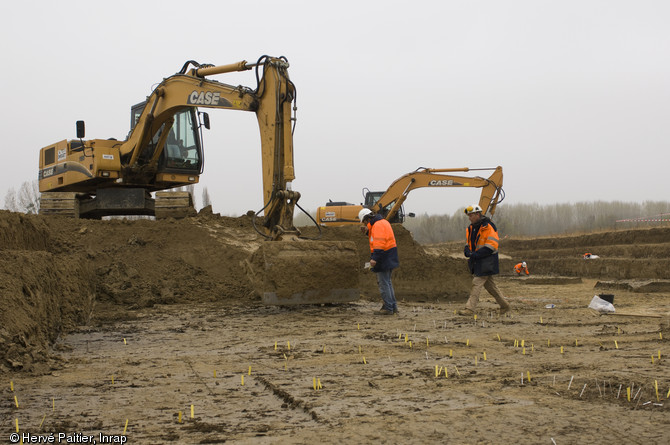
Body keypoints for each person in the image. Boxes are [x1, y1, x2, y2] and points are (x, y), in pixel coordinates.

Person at [460, 204, 511, 315]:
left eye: (471, 215)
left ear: (478, 214)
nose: (469, 218)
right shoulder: (471, 228)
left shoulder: (488, 227)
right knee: (491, 287)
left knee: (476, 283)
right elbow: (468, 243)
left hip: (487, 261)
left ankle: (469, 309)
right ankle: (505, 305)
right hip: (478, 261)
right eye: (469, 215)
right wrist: (467, 250)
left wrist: (475, 254)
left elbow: (491, 246)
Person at [359, 208, 399, 315]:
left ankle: (388, 308)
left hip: (383, 256)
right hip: (389, 255)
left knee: (384, 283)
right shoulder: (383, 222)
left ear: (367, 219)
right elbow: (377, 238)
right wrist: (367, 232)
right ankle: (393, 306)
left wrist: (374, 259)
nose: (365, 224)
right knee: (388, 283)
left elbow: (379, 244)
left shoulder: (377, 226)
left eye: (364, 222)